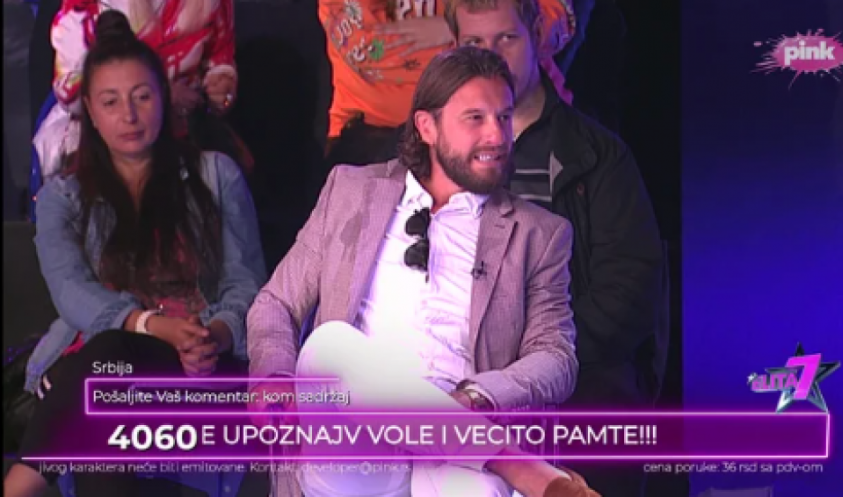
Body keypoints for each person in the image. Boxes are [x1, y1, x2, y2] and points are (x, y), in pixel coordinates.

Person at [247, 46, 598, 497]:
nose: (497, 135)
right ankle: (516, 465)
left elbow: (556, 357)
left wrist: (476, 396)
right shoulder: (351, 191)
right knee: (332, 345)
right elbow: (274, 303)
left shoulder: (539, 234)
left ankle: (477, 449)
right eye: (475, 119)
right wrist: (274, 379)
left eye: (504, 117)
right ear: (427, 126)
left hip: (458, 439)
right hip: (356, 443)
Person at [3, 10, 266, 497]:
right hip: (106, 357)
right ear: (90, 111)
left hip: (200, 357)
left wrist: (213, 336)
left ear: (163, 97)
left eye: (142, 96)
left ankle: (22, 483)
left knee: (99, 380)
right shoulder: (63, 196)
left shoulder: (216, 174)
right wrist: (154, 326)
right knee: (106, 369)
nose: (128, 115)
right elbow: (71, 292)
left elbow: (246, 284)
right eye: (111, 101)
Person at [446, 0, 665, 496]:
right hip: (457, 387)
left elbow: (627, 292)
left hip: (574, 391)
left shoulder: (598, 156)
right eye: (474, 43)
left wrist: (532, 369)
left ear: (538, 37)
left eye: (507, 38)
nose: (491, 57)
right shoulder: (430, 160)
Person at [317, 0, 575, 168]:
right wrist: (468, 36)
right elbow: (365, 48)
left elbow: (558, 20)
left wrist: (459, 30)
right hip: (376, 133)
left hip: (519, 120)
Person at [33, 0, 251, 183]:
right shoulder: (84, 7)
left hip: (189, 126)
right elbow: (70, 91)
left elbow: (220, 57)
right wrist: (159, 94)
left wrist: (221, 84)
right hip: (103, 133)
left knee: (225, 176)